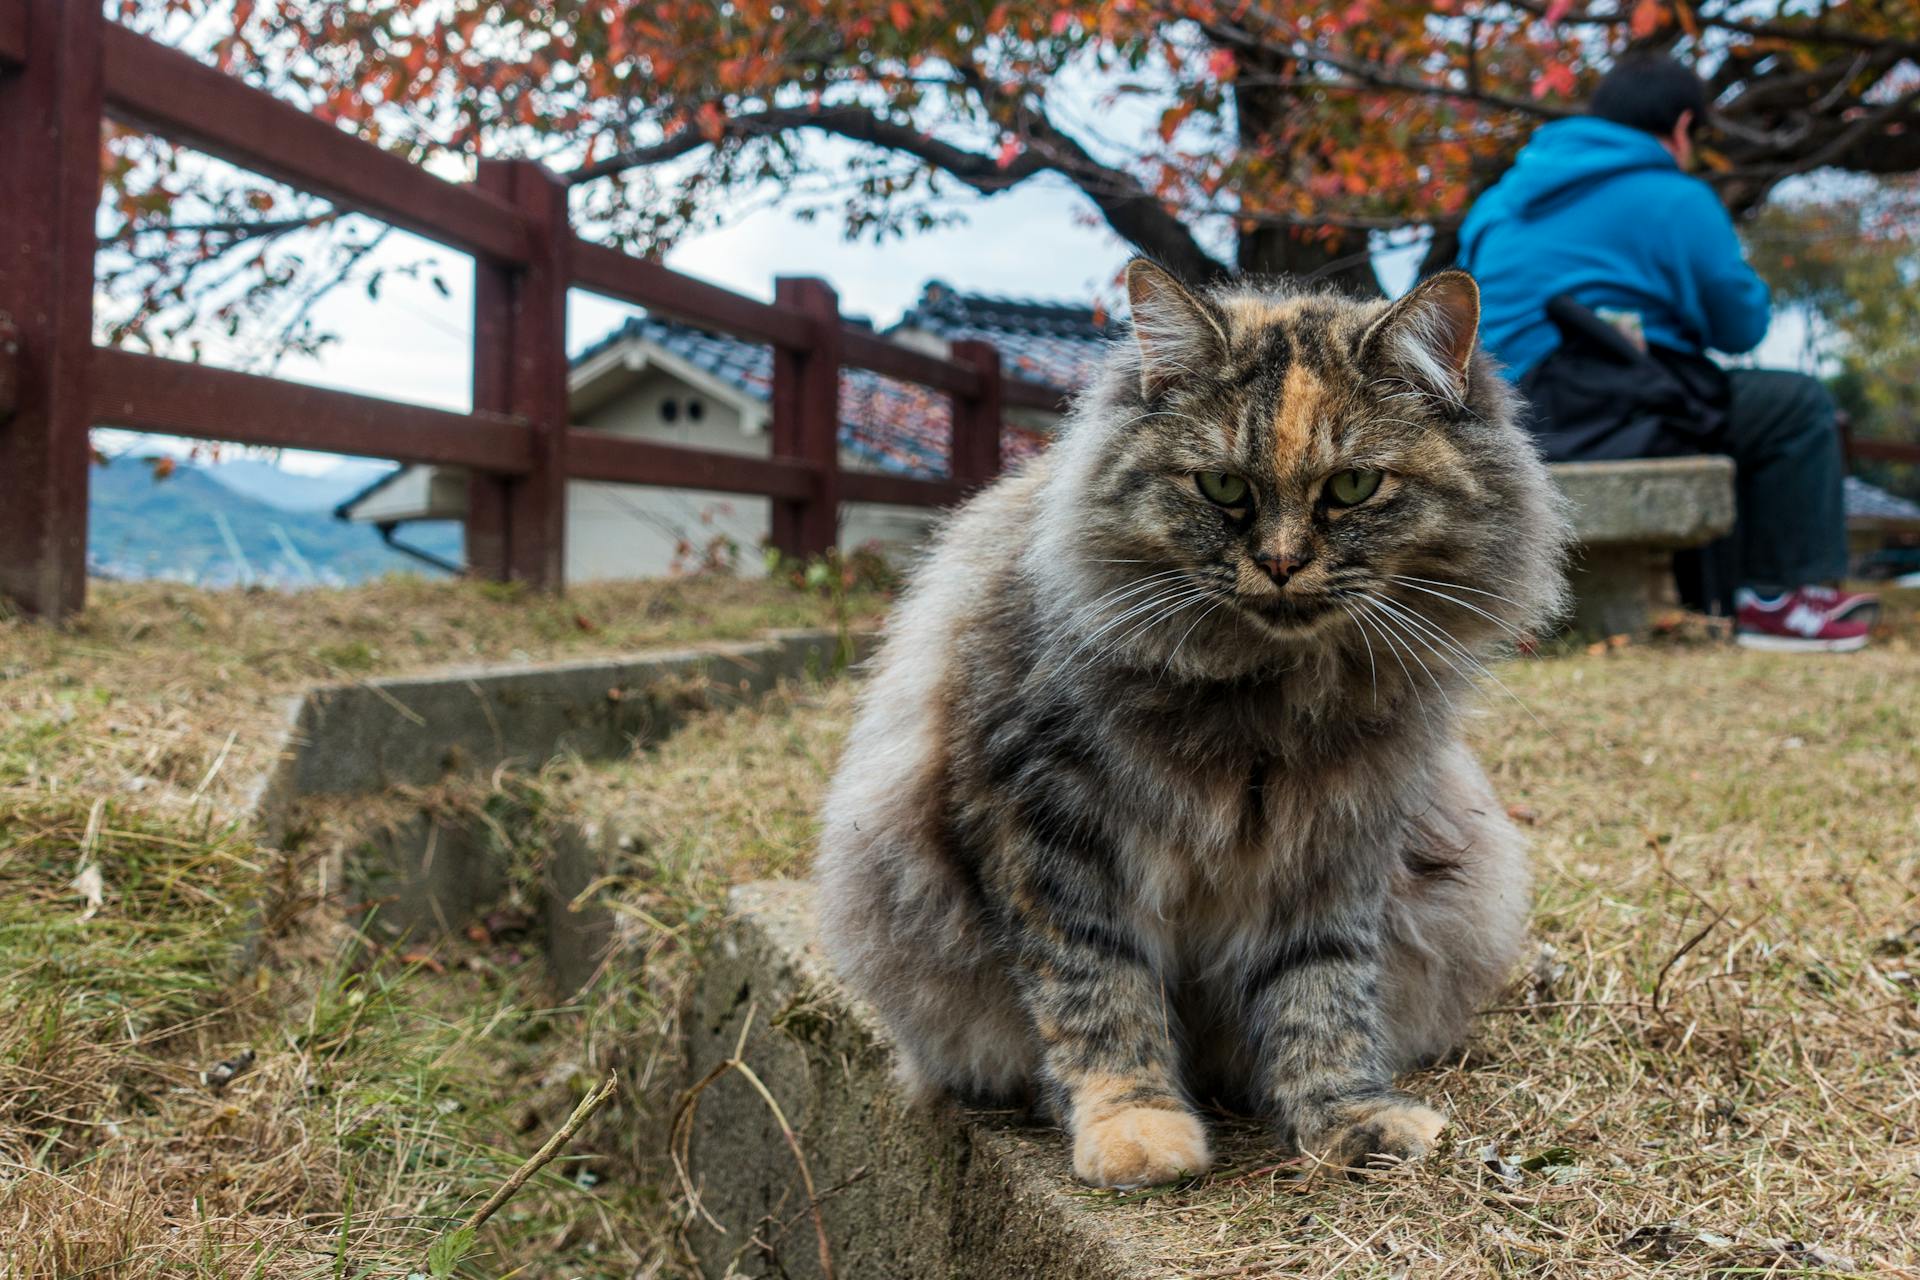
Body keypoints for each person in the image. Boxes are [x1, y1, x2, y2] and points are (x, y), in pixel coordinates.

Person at [1457, 53, 1875, 652]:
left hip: (1510, 412)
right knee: (1794, 406)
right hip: (1617, 405)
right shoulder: (1676, 197)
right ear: (1682, 126)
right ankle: (1780, 597)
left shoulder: (1498, 203)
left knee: (1709, 405)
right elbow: (1741, 325)